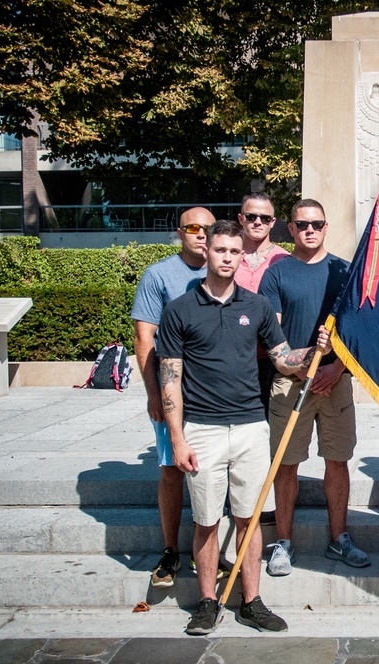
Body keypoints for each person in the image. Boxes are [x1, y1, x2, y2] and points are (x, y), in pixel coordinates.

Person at [158, 219, 331, 635]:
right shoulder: (179, 310)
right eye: (220, 250)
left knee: (250, 519)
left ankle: (252, 601)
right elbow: (169, 380)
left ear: (241, 256)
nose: (227, 258)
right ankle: (206, 602)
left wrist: (314, 351)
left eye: (235, 252)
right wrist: (177, 439)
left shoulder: (255, 307)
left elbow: (283, 359)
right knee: (205, 521)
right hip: (202, 429)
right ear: (207, 253)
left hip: (252, 426)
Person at [258, 198, 369, 574]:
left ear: (326, 227)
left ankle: (339, 539)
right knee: (286, 465)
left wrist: (335, 369)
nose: (310, 229)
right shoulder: (276, 273)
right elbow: (273, 336)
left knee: (337, 461)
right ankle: (284, 543)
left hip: (335, 383)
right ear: (289, 228)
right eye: (302, 223)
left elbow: (359, 334)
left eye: (317, 224)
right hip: (290, 385)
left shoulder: (344, 271)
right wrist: (306, 366)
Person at [131, 207, 213, 588]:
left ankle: (212, 550)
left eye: (209, 228)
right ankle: (169, 549)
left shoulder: (227, 269)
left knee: (212, 470)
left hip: (215, 391)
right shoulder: (159, 275)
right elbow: (145, 338)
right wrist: (153, 394)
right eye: (194, 228)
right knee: (171, 468)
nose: (202, 234)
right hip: (172, 390)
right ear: (180, 232)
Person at [234, 193, 290, 412]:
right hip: (234, 360)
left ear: (273, 222)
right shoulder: (228, 257)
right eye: (251, 216)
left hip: (274, 362)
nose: (258, 222)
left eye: (265, 218)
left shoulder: (284, 260)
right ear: (240, 219)